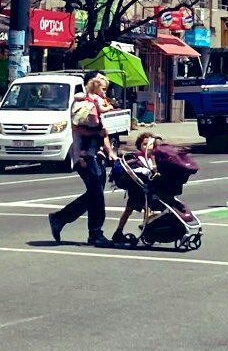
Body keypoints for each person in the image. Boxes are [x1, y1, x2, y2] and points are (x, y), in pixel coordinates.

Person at [48, 71, 116, 248]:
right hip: (84, 156)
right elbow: (79, 128)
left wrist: (109, 151)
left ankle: (61, 218)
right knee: (96, 195)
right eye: (101, 84)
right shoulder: (82, 103)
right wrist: (99, 131)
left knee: (95, 194)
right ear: (91, 84)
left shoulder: (99, 102)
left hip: (96, 155)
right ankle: (95, 233)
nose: (104, 88)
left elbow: (104, 131)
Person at [112, 132, 160, 246]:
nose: (148, 147)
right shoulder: (137, 158)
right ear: (139, 146)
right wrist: (146, 171)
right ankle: (119, 231)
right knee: (129, 210)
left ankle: (146, 229)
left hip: (146, 188)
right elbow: (134, 169)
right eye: (145, 144)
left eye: (150, 144)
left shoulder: (153, 158)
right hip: (137, 189)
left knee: (147, 209)